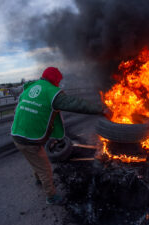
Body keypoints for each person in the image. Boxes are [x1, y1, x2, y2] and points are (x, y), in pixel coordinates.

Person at [11, 67, 105, 205]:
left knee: (35, 158)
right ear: (54, 79)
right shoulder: (51, 92)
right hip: (29, 139)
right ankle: (51, 196)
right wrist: (100, 109)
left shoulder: (33, 86)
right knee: (46, 169)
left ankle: (38, 177)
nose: (59, 84)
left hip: (17, 133)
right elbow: (75, 104)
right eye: (58, 81)